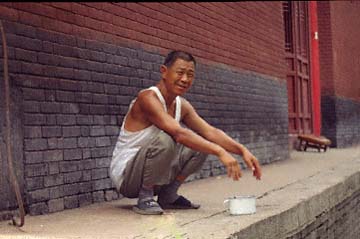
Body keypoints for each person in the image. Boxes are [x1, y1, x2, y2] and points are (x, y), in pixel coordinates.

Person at [109, 50, 262, 215]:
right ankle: (145, 198)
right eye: (180, 73)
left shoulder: (182, 105)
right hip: (127, 178)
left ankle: (168, 195)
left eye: (190, 75)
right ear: (164, 72)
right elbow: (179, 134)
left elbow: (210, 132)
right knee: (167, 138)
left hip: (154, 173)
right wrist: (219, 151)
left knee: (200, 142)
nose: (185, 79)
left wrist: (242, 150)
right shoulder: (147, 98)